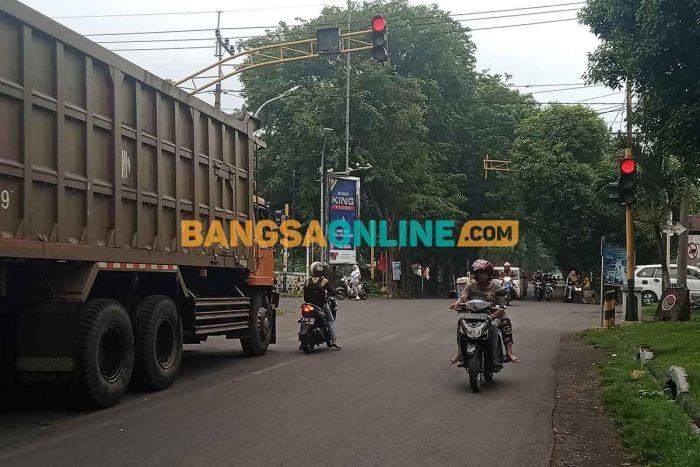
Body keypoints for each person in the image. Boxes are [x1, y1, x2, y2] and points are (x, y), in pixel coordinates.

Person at [449, 259, 520, 365]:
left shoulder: (496, 286)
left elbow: (501, 306)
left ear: (489, 274)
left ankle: (509, 352)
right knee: (461, 323)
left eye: (484, 273)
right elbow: (463, 297)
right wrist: (456, 304)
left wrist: (494, 315)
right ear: (476, 274)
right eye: (479, 273)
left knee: (505, 322)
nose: (482, 275)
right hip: (473, 316)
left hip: (492, 315)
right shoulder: (470, 286)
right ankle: (460, 352)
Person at [304, 261, 341, 350]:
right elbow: (331, 291)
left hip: (308, 305)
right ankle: (334, 342)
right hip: (321, 306)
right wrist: (337, 292)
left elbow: (304, 295)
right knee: (331, 320)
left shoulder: (307, 281)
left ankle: (303, 342)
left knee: (305, 319)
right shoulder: (323, 281)